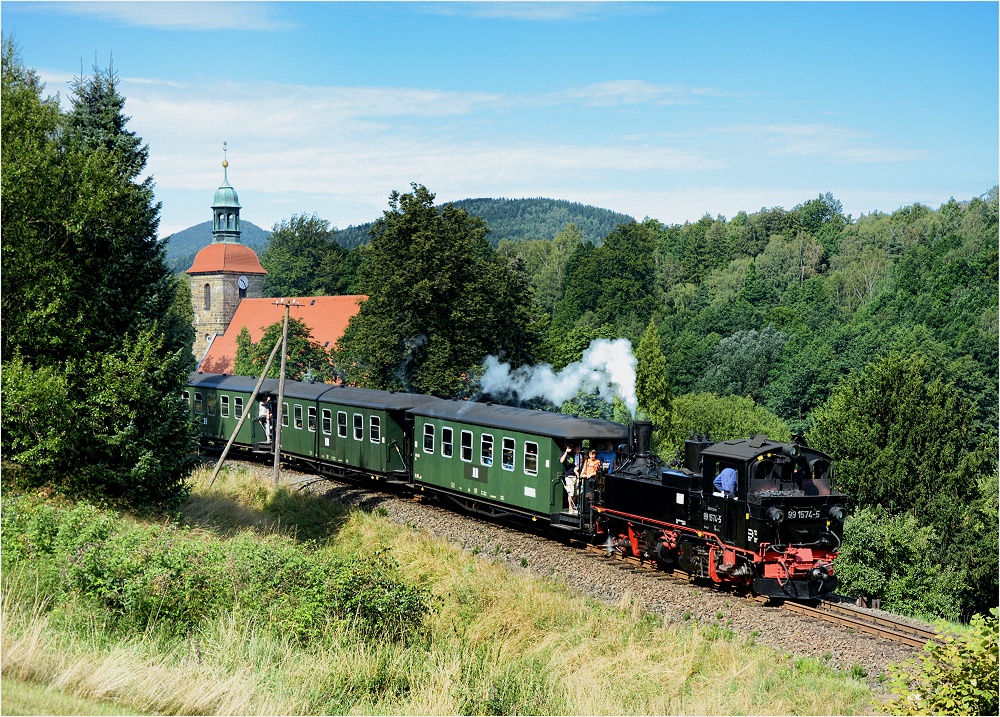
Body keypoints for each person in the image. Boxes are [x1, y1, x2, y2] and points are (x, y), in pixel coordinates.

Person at [559, 442, 582, 513]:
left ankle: (573, 507)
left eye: (572, 447)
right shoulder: (564, 454)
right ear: (566, 447)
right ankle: (570, 508)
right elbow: (561, 461)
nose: (571, 449)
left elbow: (580, 459)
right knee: (570, 492)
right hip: (568, 476)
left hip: (575, 475)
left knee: (575, 493)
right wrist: (566, 452)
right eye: (569, 447)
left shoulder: (574, 454)